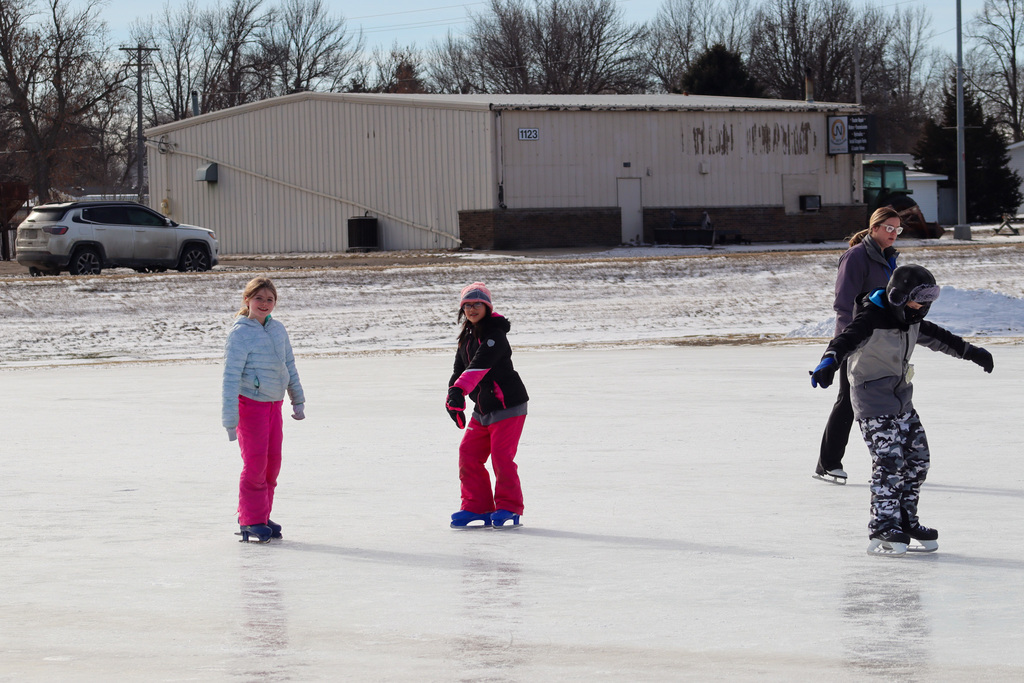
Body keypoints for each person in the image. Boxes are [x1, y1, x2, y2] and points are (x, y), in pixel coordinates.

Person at [810, 265, 993, 555]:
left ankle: (905, 519)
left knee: (918, 459)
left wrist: (973, 353)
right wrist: (828, 362)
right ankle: (883, 525)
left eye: (927, 303)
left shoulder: (912, 319)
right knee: (889, 462)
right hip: (871, 400)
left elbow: (941, 338)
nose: (923, 308)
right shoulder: (871, 319)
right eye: (919, 301)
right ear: (898, 296)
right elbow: (844, 341)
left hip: (901, 400)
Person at [815, 207, 902, 485]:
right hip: (856, 339)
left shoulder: (889, 259)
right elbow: (844, 303)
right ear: (874, 227)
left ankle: (890, 461)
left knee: (891, 398)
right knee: (848, 402)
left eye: (897, 229)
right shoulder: (856, 257)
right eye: (888, 227)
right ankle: (827, 463)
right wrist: (848, 341)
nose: (893, 234)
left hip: (883, 341)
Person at [222, 276, 305, 543]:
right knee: (255, 463)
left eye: (270, 299)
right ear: (247, 300)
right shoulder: (240, 333)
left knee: (272, 464)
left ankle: (261, 514)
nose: (265, 304)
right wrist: (229, 419)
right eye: (259, 298)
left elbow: (289, 365)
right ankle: (250, 520)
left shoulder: (278, 329)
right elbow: (230, 377)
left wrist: (297, 399)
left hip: (274, 404)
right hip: (250, 405)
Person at [445, 282, 529, 529]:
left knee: (502, 459)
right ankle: (476, 506)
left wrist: (460, 391)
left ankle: (509, 507)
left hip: (508, 405)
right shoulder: (467, 337)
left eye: (477, 304)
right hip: (482, 410)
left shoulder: (495, 335)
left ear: (487, 307)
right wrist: (452, 400)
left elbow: (480, 366)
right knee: (468, 455)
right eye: (467, 305)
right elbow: (458, 371)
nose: (472, 309)